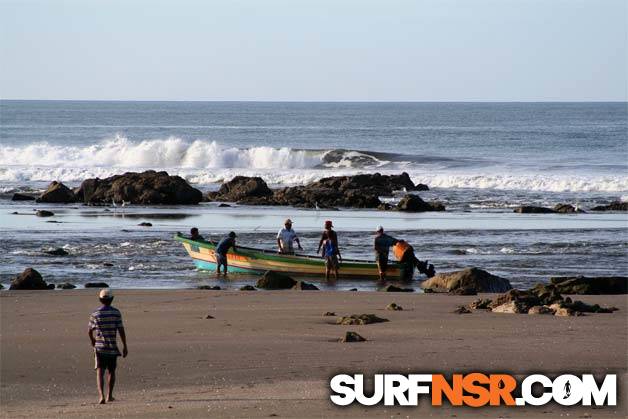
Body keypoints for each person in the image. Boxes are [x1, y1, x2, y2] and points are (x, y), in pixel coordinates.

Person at [88, 288, 128, 404]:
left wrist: (92, 340)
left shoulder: (95, 313)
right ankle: (109, 395)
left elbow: (89, 330)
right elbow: (121, 330)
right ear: (112, 299)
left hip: (100, 347)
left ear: (100, 300)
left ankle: (101, 396)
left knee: (100, 371)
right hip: (112, 347)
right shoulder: (116, 312)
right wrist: (125, 345)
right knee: (111, 371)